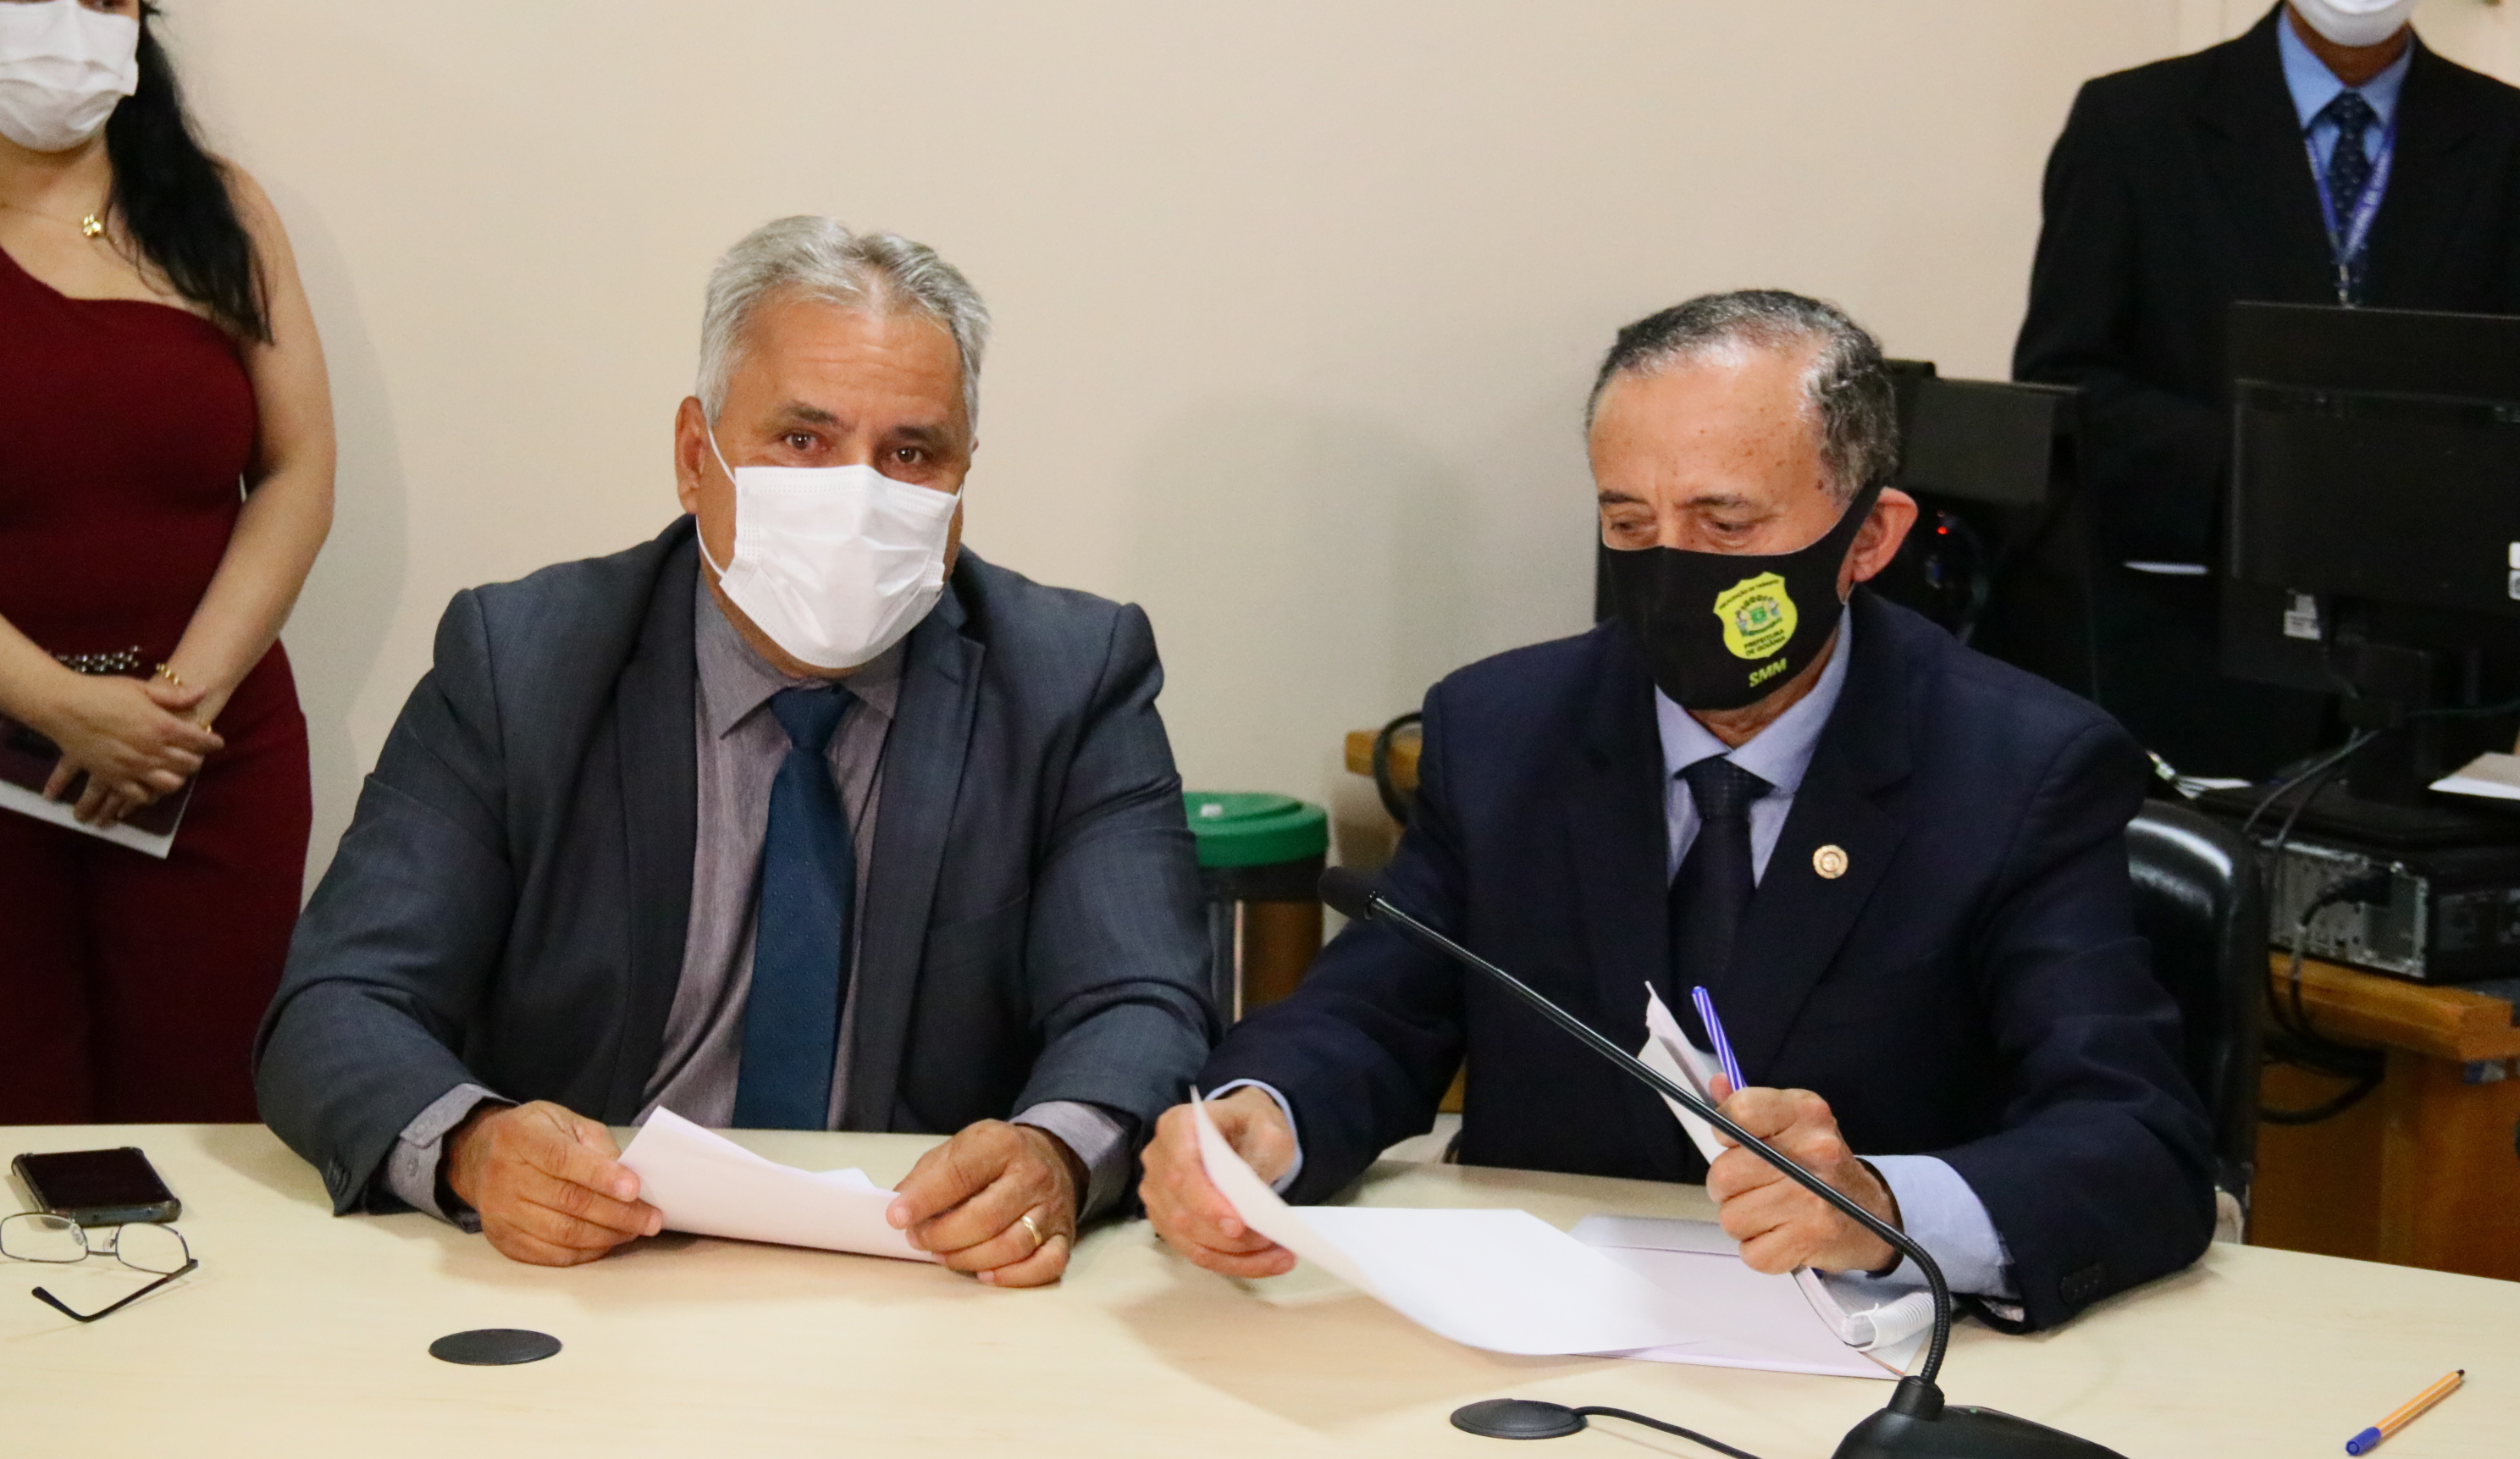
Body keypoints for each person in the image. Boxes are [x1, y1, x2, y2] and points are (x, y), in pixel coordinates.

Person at [1141, 291, 2218, 1332]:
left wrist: (1883, 1207)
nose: (1670, 570)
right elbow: (1377, 1014)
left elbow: (2138, 1143)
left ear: (1869, 538)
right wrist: (1262, 1117)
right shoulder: (1505, 730)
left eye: (1725, 522)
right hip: (1544, 1344)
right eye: (1630, 521)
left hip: (1877, 1358)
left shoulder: (2019, 767)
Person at [257, 217, 1212, 1283]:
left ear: (961, 479)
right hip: (595, 1266)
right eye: (802, 440)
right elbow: (340, 1002)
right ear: (692, 456)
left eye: (911, 454)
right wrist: (477, 1150)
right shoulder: (522, 662)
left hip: (921, 1271)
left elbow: (1143, 1005)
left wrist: (1053, 1155)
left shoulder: (1070, 678)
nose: (858, 495)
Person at [2014, 1, 2520, 777]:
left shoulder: (2503, 135)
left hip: (2437, 682)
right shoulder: (2135, 121)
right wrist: (2267, 471)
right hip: (2194, 655)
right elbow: (2064, 382)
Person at [0, 0, 334, 1125]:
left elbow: (296, 470)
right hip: (7, 747)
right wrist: (59, 705)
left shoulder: (220, 211)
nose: (68, 22)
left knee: (215, 1119)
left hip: (209, 754)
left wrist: (172, 710)